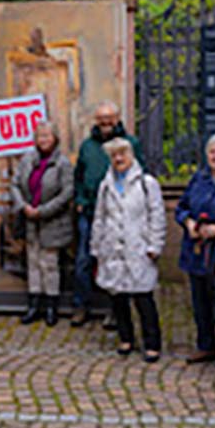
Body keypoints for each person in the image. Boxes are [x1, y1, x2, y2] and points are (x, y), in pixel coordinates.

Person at [90, 137, 166, 363]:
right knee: (118, 297)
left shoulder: (147, 183)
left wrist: (155, 244)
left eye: (123, 154)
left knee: (144, 298)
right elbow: (99, 217)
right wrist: (97, 246)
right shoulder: (106, 185)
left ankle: (152, 343)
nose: (119, 159)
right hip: (112, 247)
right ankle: (126, 338)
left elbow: (157, 215)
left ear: (131, 155)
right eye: (114, 155)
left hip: (138, 247)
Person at [72, 101, 145, 327]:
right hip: (91, 212)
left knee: (115, 261)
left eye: (109, 118)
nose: (105, 123)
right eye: (101, 118)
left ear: (118, 118)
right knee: (84, 261)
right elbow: (79, 177)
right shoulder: (87, 146)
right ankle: (81, 305)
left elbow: (140, 174)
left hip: (118, 215)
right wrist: (81, 201)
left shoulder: (130, 143)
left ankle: (115, 310)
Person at [174, 133, 215, 364]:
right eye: (212, 151)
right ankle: (206, 345)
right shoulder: (198, 178)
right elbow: (181, 208)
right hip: (196, 250)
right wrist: (189, 222)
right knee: (200, 301)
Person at [9, 121, 74, 327]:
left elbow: (67, 193)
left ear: (55, 138)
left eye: (47, 136)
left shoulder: (62, 163)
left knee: (50, 265)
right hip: (29, 220)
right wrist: (23, 206)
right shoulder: (27, 159)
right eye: (40, 136)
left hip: (52, 221)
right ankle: (34, 305)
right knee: (33, 263)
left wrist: (43, 211)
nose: (44, 140)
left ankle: (51, 307)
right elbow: (15, 184)